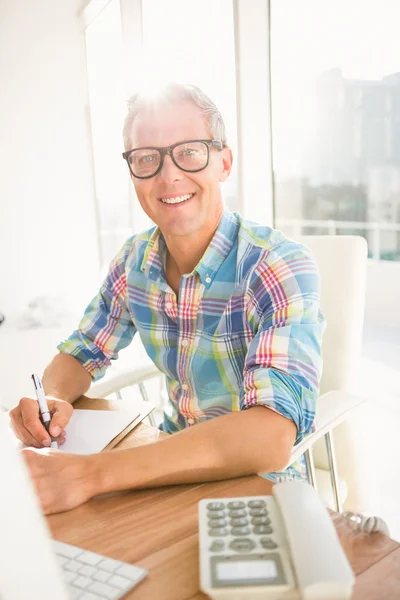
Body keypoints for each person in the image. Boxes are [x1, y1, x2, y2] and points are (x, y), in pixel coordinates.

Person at [10, 83, 326, 515]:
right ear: (133, 171)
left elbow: (269, 437)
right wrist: (49, 398)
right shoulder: (133, 261)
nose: (168, 175)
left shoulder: (275, 266)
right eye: (147, 158)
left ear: (224, 162)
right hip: (168, 468)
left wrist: (91, 474)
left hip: (260, 488)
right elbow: (82, 352)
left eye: (190, 151)